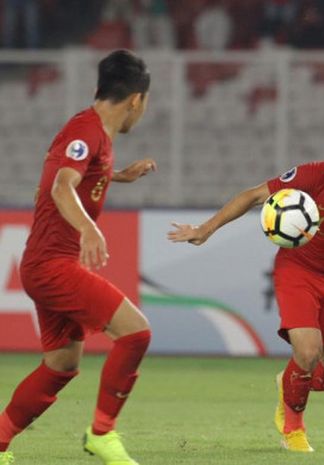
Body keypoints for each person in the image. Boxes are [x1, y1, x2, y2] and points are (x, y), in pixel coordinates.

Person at [168, 110, 324, 453]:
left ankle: (289, 382)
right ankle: (293, 428)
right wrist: (205, 230)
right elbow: (254, 195)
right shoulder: (317, 175)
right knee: (308, 350)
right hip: (297, 271)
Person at [0, 50, 155, 465]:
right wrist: (88, 226)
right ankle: (102, 433)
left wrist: (117, 176)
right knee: (136, 333)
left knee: (62, 363)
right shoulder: (87, 132)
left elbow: (66, 173)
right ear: (137, 100)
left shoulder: (90, 134)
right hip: (53, 264)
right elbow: (61, 186)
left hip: (43, 263)